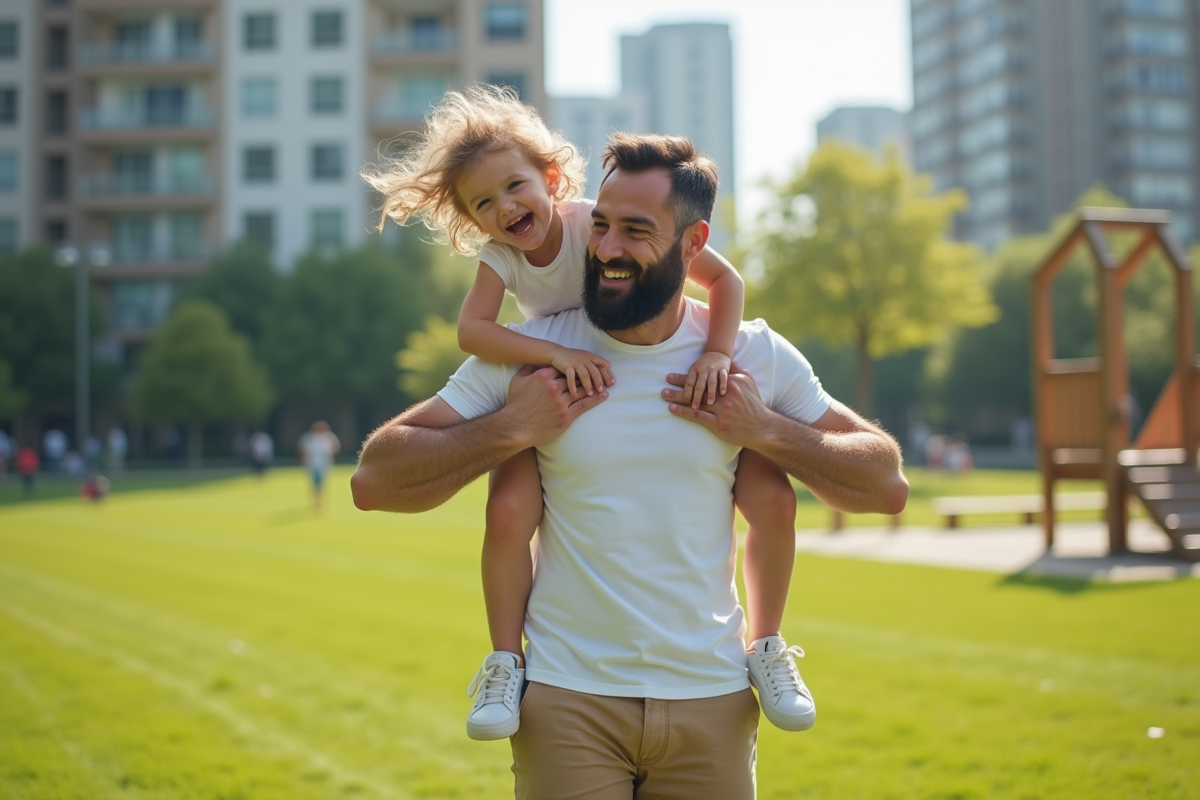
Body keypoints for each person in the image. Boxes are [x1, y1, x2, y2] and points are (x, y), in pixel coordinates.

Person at [352, 133, 908, 798]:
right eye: (604, 226)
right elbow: (374, 481)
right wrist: (513, 426)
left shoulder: (749, 353)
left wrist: (765, 429)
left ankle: (770, 647)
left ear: (694, 245)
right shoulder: (534, 351)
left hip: (713, 698)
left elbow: (886, 484)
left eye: (636, 231)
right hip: (568, 702)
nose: (608, 248)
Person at [363, 84, 804, 742]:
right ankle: (505, 661)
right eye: (483, 203)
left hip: (657, 353)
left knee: (770, 492)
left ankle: (765, 645)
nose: (506, 208)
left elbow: (726, 280)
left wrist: (715, 355)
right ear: (470, 220)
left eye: (514, 187)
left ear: (550, 177)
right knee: (508, 510)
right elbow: (473, 332)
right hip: (561, 378)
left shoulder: (597, 218)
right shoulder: (502, 256)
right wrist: (552, 356)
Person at [298, 422, 340, 510]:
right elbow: (303, 450)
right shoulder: (309, 438)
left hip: (325, 465)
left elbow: (336, 447)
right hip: (313, 465)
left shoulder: (328, 437)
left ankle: (321, 501)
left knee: (323, 484)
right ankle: (316, 501)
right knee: (315, 484)